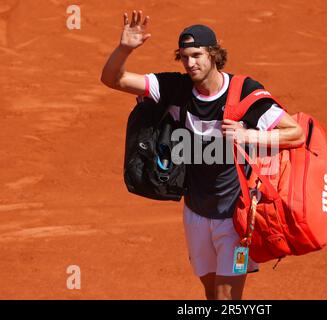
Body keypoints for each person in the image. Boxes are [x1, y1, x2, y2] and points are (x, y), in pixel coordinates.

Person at [101, 10, 305, 300]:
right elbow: (113, 79)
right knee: (211, 295)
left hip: (235, 218)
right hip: (195, 214)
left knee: (226, 299)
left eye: (197, 55)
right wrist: (124, 49)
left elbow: (295, 133)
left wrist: (250, 135)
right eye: (184, 56)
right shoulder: (176, 88)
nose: (190, 63)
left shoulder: (244, 92)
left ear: (213, 54)